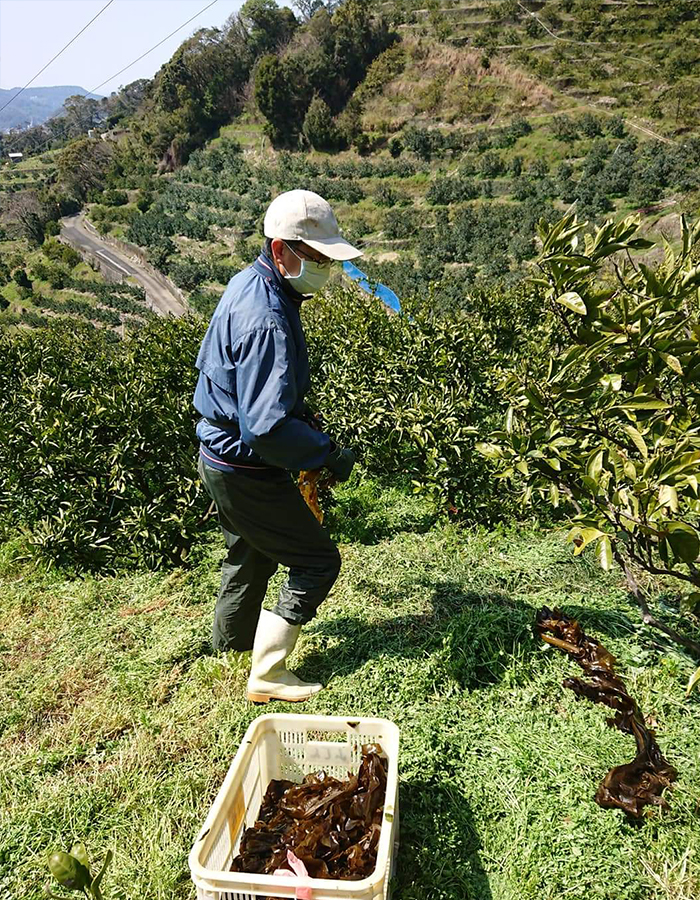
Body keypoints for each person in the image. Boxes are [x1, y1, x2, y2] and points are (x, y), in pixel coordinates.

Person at [194, 189, 361, 703]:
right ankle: (266, 673)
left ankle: (231, 649)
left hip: (219, 456)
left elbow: (251, 395)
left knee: (248, 553)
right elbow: (264, 428)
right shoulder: (267, 319)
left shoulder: (250, 283)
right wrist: (324, 451)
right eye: (314, 257)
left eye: (326, 259)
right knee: (316, 561)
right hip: (246, 468)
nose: (323, 269)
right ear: (280, 249)